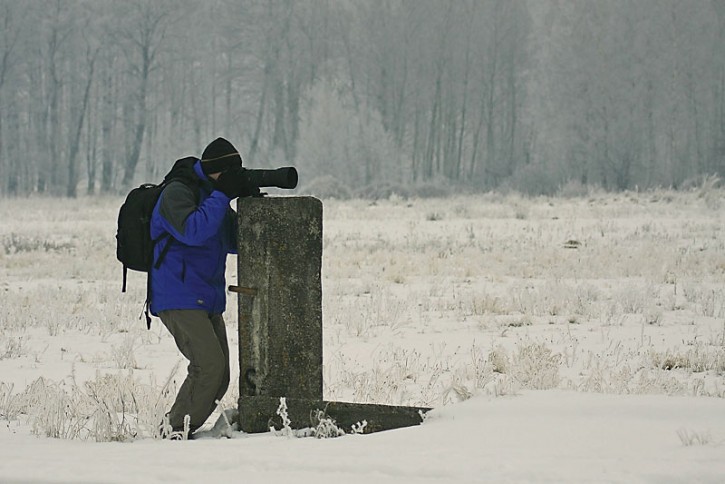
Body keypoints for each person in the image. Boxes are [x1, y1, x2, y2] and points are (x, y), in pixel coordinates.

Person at [149, 137, 255, 439]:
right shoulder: (177, 193)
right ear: (216, 172)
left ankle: (180, 429)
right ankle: (173, 432)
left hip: (204, 297)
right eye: (230, 174)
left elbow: (235, 241)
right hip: (178, 295)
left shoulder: (213, 196)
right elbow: (193, 231)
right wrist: (222, 196)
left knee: (219, 375)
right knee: (209, 366)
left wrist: (252, 204)